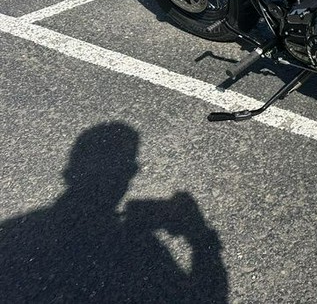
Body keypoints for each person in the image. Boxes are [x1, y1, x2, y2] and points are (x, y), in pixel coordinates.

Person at [0, 122, 227, 303]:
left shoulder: (10, 234)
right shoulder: (142, 250)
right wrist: (200, 237)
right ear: (131, 173)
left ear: (69, 173)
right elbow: (205, 297)